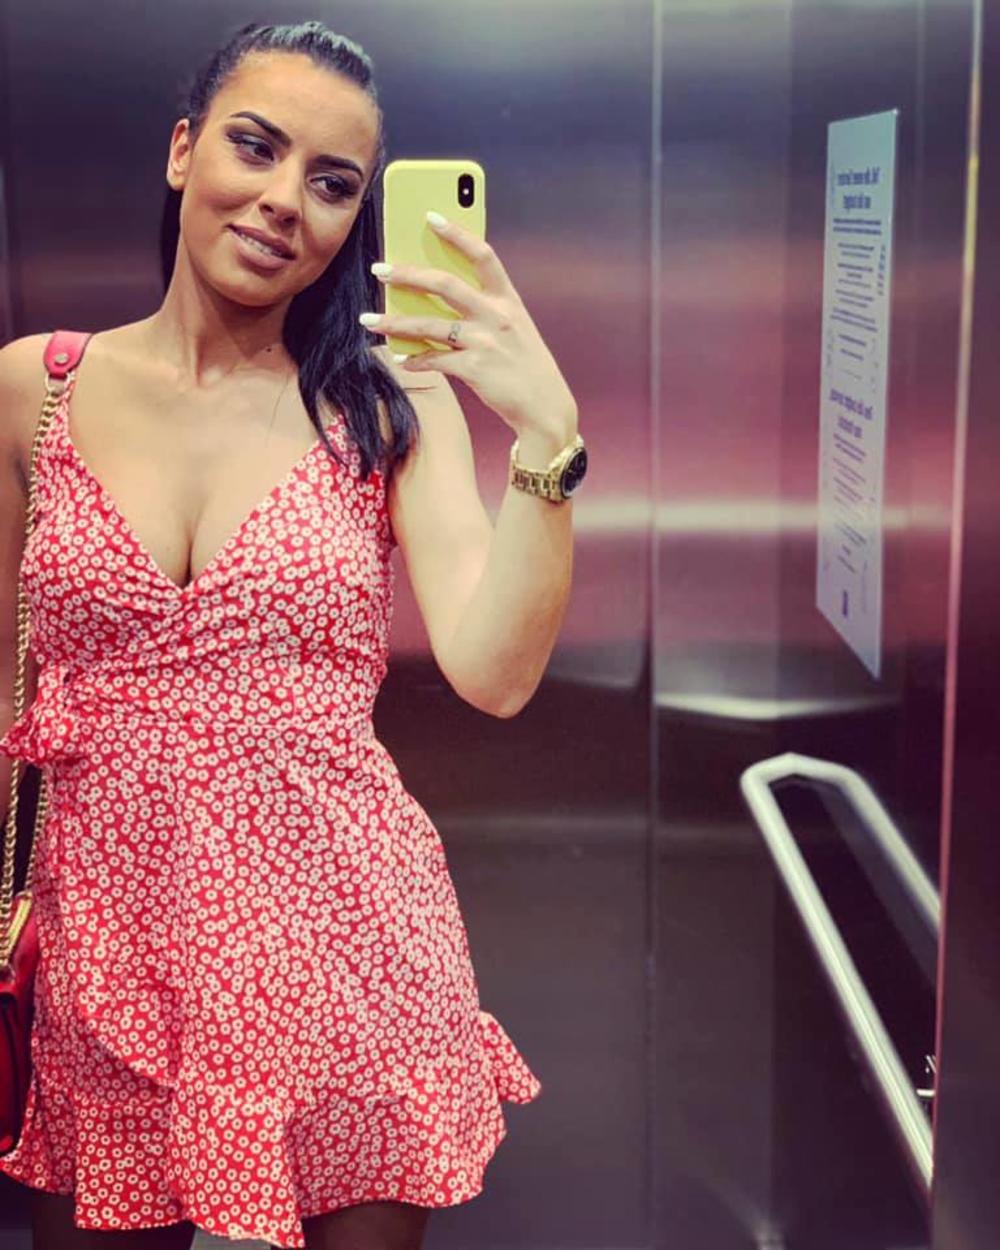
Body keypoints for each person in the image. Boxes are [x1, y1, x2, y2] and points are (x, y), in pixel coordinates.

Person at [0, 18, 581, 1250]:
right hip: (108, 962)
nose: (283, 201)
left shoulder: (387, 406)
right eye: (255, 147)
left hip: (347, 954)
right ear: (183, 151)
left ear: (356, 216)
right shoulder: (32, 389)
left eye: (332, 183)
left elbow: (493, 673)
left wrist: (547, 439)